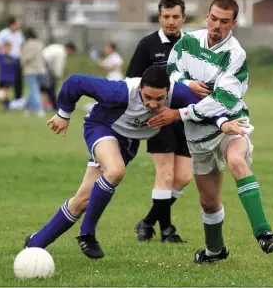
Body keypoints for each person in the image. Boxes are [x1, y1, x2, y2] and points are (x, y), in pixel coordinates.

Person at [23, 66, 246, 260]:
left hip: (127, 143)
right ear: (140, 88)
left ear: (168, 91)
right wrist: (64, 113)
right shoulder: (120, 92)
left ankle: (35, 243)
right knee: (116, 170)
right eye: (147, 97)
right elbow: (76, 82)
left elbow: (203, 105)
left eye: (159, 99)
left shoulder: (176, 93)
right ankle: (87, 233)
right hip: (102, 128)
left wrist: (222, 122)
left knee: (83, 199)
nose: (153, 103)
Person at [147, 0, 273, 263]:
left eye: (224, 21)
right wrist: (189, 85)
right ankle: (214, 251)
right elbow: (171, 74)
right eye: (213, 18)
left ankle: (264, 232)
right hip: (198, 134)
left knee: (236, 161)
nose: (216, 26)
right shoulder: (186, 43)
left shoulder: (235, 54)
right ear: (206, 15)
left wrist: (181, 112)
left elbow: (222, 99)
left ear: (233, 24)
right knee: (209, 203)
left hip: (231, 123)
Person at [126, 0, 190, 243]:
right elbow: (131, 81)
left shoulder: (193, 44)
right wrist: (148, 110)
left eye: (176, 17)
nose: (171, 21)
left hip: (184, 118)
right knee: (165, 175)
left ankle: (147, 221)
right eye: (166, 17)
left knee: (183, 177)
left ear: (183, 18)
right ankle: (167, 231)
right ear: (160, 17)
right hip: (157, 118)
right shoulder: (147, 45)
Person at [0, 16, 25, 110]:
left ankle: (16, 101)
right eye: (18, 22)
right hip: (6, 61)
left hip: (16, 61)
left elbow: (22, 45)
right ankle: (4, 101)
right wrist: (2, 57)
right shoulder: (4, 33)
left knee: (17, 83)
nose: (20, 24)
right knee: (3, 85)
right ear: (13, 24)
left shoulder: (19, 34)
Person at [83, 42, 124, 112]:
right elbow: (103, 65)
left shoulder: (115, 56)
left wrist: (101, 62)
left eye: (107, 48)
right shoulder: (110, 57)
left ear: (111, 48)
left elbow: (116, 65)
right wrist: (97, 59)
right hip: (111, 77)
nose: (106, 49)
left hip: (115, 77)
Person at [41, 42, 77, 111]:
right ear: (70, 49)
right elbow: (58, 67)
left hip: (42, 63)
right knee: (49, 87)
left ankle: (48, 105)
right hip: (44, 64)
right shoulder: (62, 52)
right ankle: (54, 106)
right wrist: (57, 77)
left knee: (44, 87)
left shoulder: (58, 47)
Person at [20, 28, 46, 117]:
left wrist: (21, 62)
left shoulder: (28, 44)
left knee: (34, 90)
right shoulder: (40, 43)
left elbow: (25, 58)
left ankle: (40, 109)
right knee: (34, 90)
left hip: (31, 70)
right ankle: (28, 109)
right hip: (41, 70)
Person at [0, 41, 18, 111]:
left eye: (8, 47)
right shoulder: (0, 56)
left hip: (9, 78)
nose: (7, 49)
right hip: (1, 77)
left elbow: (17, 67)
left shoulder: (13, 58)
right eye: (5, 47)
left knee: (5, 92)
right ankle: (6, 104)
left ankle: (6, 106)